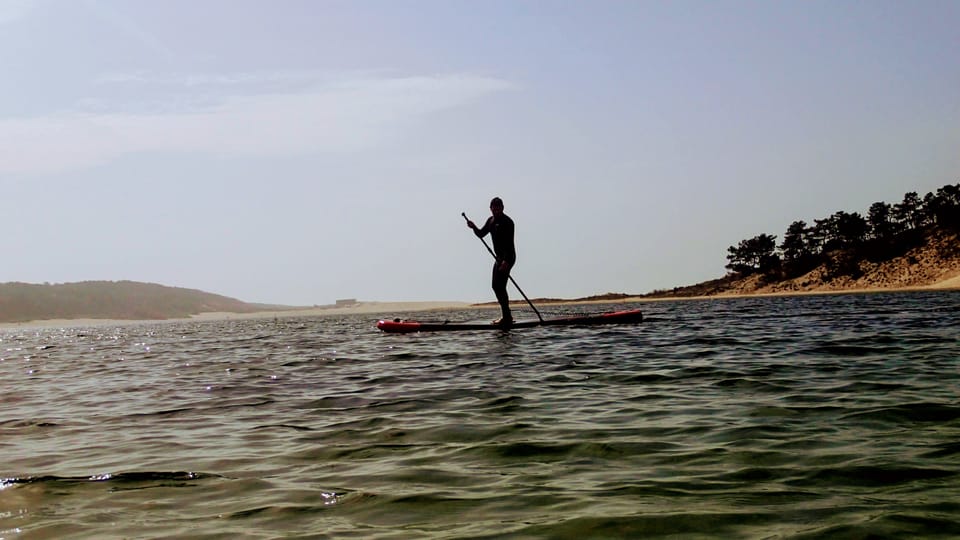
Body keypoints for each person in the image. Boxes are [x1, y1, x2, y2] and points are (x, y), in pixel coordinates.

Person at [466, 197, 516, 326]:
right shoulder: (491, 221)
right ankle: (507, 315)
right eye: (493, 208)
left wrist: (506, 261)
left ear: (502, 208)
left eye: (498, 207)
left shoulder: (508, 222)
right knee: (495, 286)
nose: (495, 210)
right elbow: (481, 234)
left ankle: (507, 317)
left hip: (508, 258)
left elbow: (509, 244)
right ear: (490, 209)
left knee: (500, 286)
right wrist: (473, 227)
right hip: (498, 259)